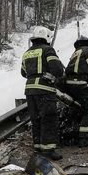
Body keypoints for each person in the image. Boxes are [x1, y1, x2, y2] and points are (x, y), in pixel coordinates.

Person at [21, 26, 64, 160]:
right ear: (47, 37)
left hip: (30, 90)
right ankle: (49, 150)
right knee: (49, 118)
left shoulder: (27, 53)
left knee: (36, 119)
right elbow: (58, 70)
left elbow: (23, 72)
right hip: (44, 89)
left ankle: (38, 148)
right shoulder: (48, 50)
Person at [65, 35, 88, 147]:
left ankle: (78, 133)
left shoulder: (76, 53)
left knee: (81, 108)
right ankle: (85, 138)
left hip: (70, 84)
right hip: (81, 83)